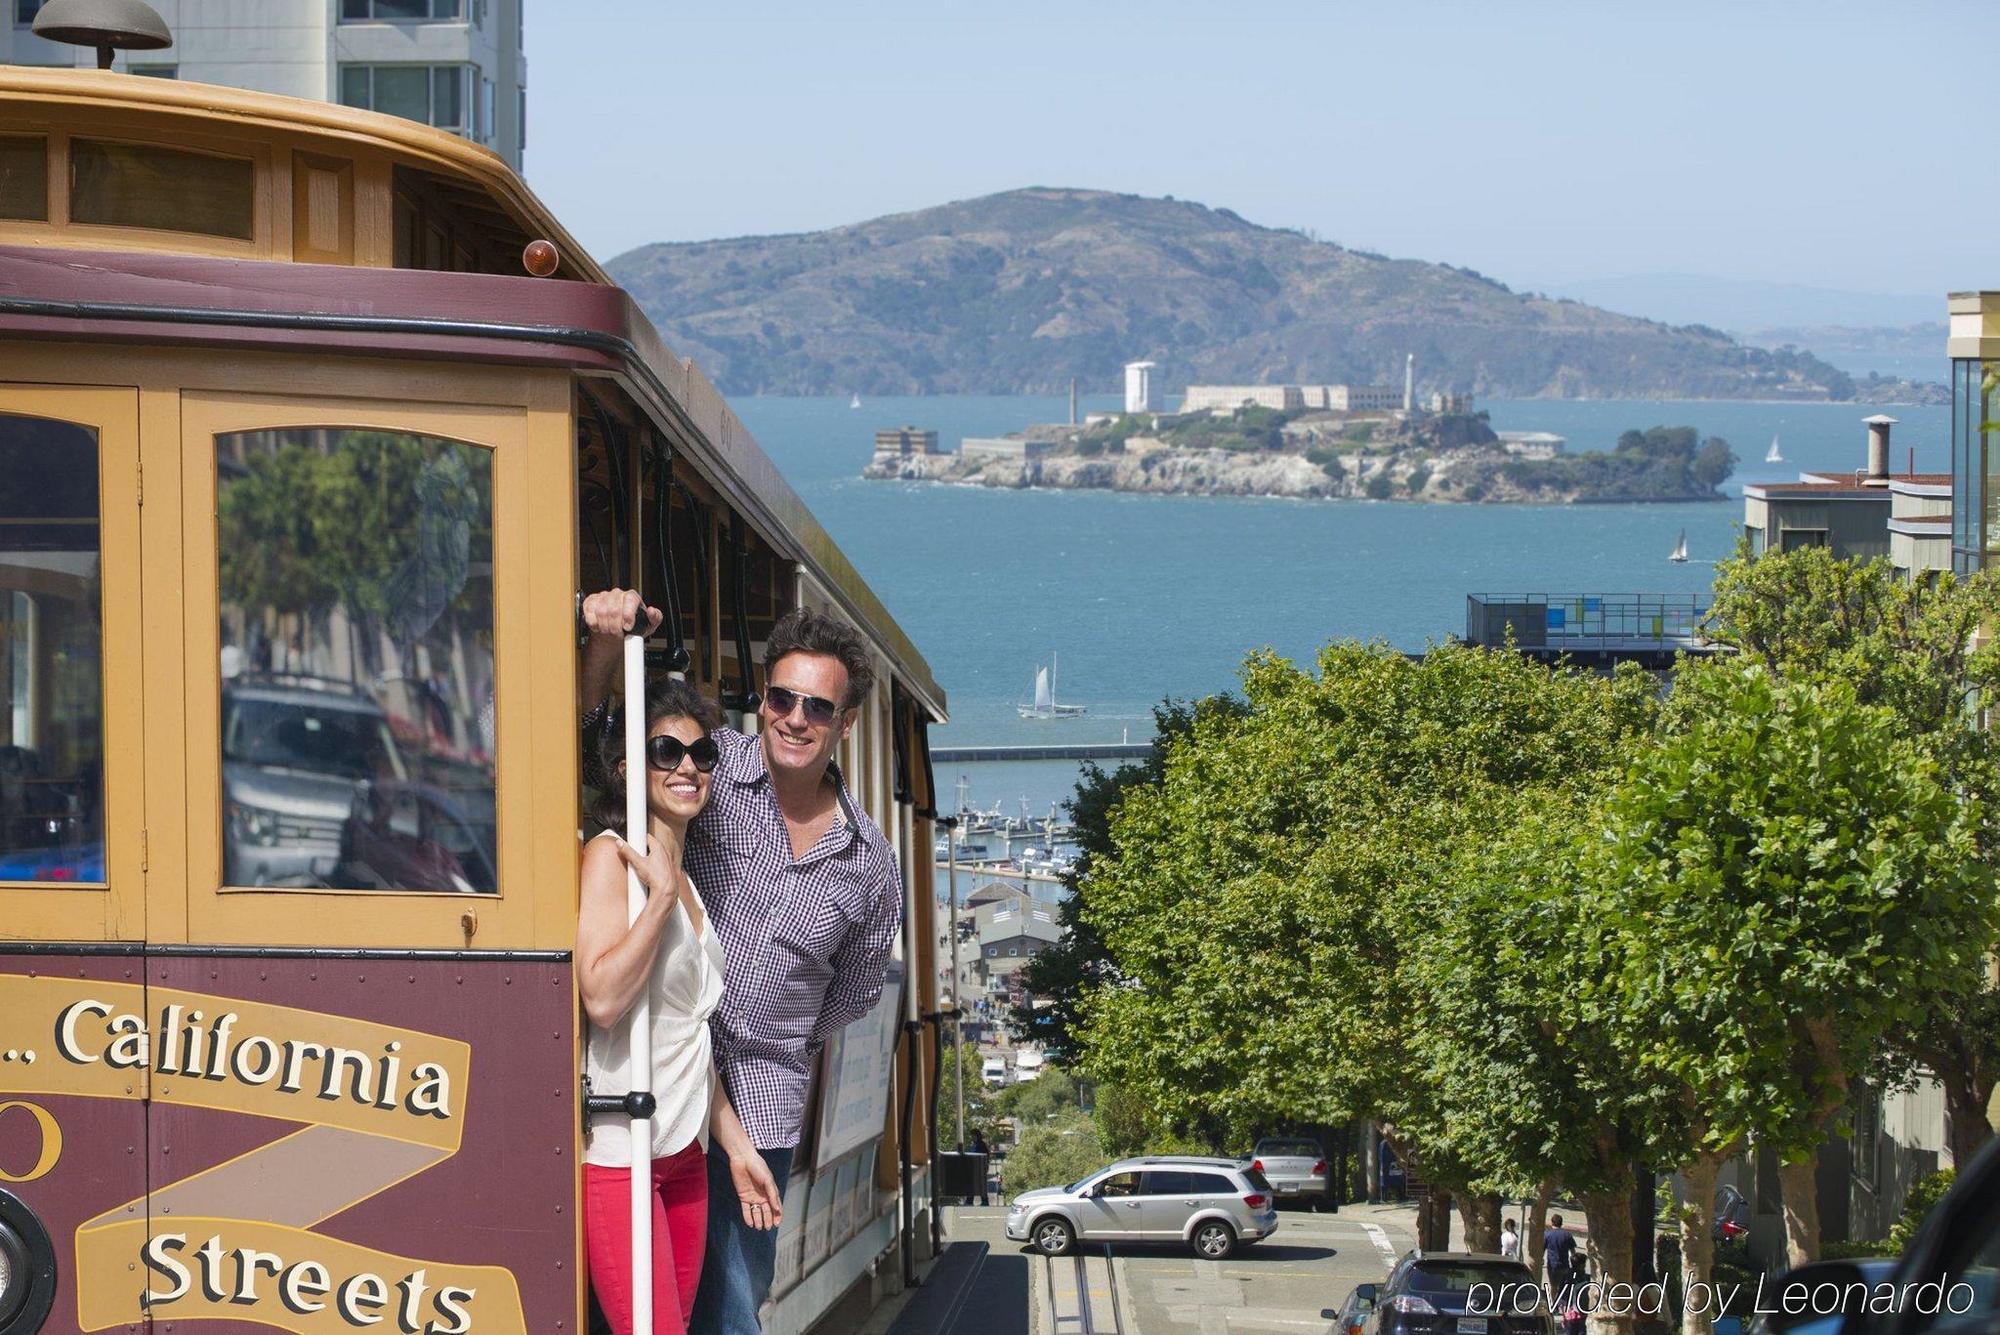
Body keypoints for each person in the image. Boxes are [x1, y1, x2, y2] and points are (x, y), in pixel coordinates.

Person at [581, 593, 904, 1335]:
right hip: (645, 1084)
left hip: (749, 1107)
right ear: (762, 700)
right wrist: (603, 641)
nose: (795, 718)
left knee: (728, 1313)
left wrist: (772, 1036)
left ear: (844, 724)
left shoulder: (868, 863)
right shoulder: (705, 763)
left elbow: (852, 993)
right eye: (781, 697)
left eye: (817, 707)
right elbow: (600, 741)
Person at [578, 679, 769, 1334]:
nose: (688, 766)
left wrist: (737, 1147)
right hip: (621, 1155)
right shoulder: (612, 859)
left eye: (701, 752)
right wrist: (657, 904)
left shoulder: (684, 876)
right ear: (630, 766)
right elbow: (601, 996)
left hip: (685, 1158)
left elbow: (688, 1036)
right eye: (667, 750)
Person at [969, 1129, 991, 1207]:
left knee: (981, 1185)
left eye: (973, 1135)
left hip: (980, 1168)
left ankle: (984, 1201)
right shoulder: (973, 1145)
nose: (972, 1137)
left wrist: (986, 1166)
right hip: (973, 1168)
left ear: (977, 1136)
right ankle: (970, 1199)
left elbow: (985, 1156)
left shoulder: (981, 1145)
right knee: (972, 1184)